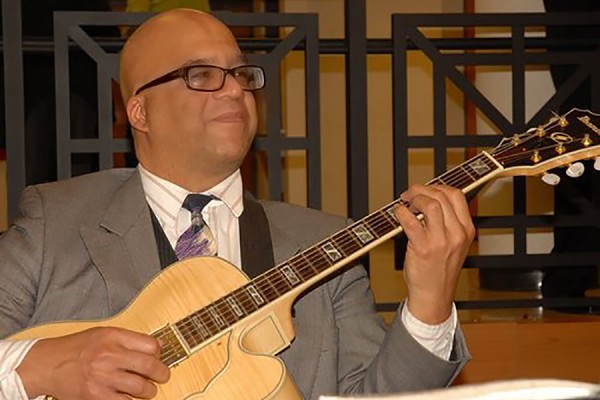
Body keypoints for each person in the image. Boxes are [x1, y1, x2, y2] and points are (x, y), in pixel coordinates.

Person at [0, 8, 474, 400]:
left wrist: (429, 305)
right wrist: (41, 367)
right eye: (201, 75)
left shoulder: (325, 244)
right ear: (141, 111)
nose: (234, 90)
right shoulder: (55, 219)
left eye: (241, 74)